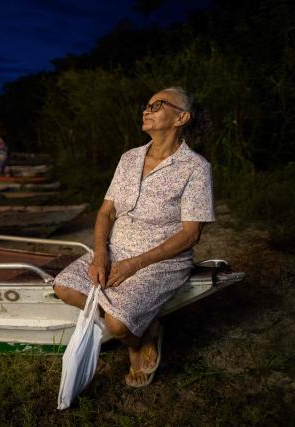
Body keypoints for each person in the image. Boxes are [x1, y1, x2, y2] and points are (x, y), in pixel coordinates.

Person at [53, 86, 214, 388]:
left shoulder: (196, 168)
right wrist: (101, 253)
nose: (146, 109)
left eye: (157, 105)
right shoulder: (129, 158)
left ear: (182, 117)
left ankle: (138, 341)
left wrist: (135, 265)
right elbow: (105, 213)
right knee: (64, 287)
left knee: (117, 323)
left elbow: (191, 234)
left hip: (161, 261)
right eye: (146, 104)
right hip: (116, 250)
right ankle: (143, 321)